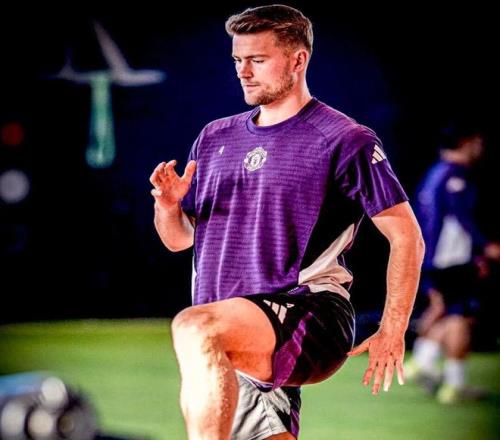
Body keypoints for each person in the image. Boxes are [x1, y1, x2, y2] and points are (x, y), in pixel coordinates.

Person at [149, 5, 424, 439]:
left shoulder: (343, 138)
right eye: (238, 60)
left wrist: (393, 328)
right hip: (236, 328)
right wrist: (168, 207)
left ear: (298, 60)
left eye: (257, 60)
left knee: (193, 326)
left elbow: (406, 236)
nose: (243, 72)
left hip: (308, 313)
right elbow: (180, 240)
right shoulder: (215, 137)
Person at [405, 124, 500, 404]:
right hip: (450, 259)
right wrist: (484, 247)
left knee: (444, 310)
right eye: (477, 141)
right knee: (461, 316)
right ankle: (452, 384)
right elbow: (460, 216)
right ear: (465, 142)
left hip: (434, 257)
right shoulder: (454, 175)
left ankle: (423, 362)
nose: (480, 148)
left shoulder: (434, 173)